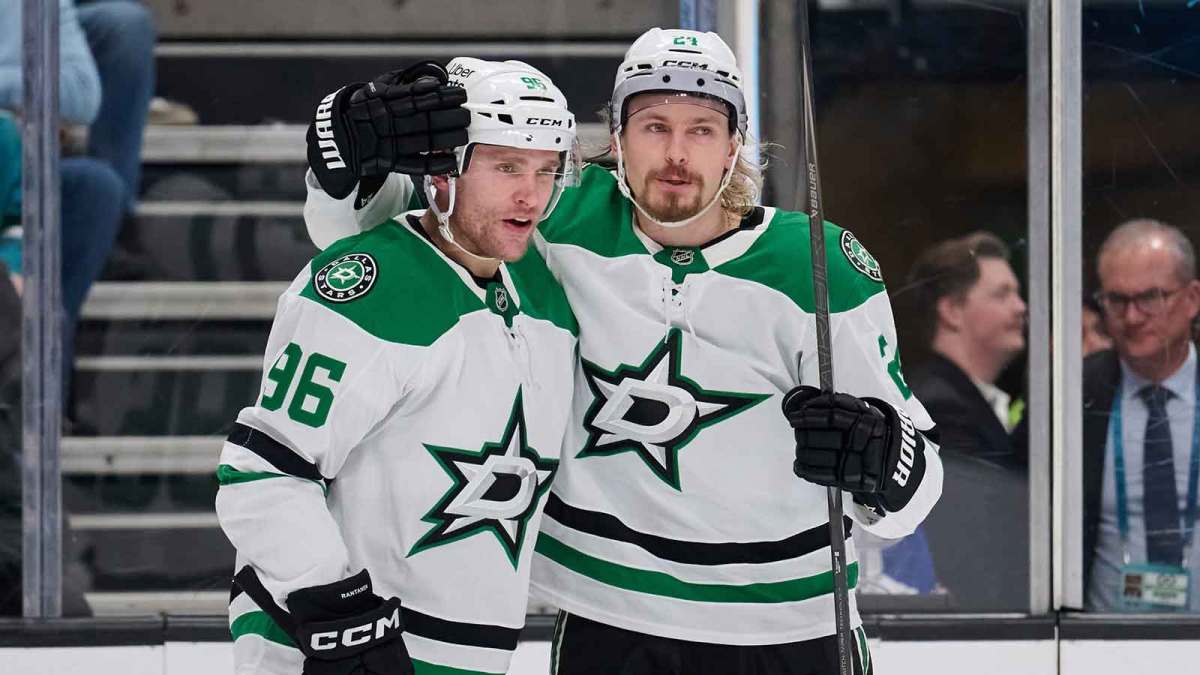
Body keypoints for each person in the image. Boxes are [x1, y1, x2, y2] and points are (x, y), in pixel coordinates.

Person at [304, 28, 943, 674]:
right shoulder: (556, 220)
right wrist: (345, 150)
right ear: (616, 139)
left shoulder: (821, 267)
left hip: (795, 631)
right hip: (609, 625)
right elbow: (369, 234)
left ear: (734, 146)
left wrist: (885, 459)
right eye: (654, 127)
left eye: (701, 130)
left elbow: (914, 493)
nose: (676, 154)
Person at [216, 59, 580, 674]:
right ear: (442, 171)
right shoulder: (370, 287)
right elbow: (264, 472)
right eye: (507, 166)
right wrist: (337, 612)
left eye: (546, 169)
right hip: (336, 644)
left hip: (475, 653)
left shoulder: (545, 293)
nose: (532, 194)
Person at [903, 231, 1029, 610]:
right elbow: (978, 545)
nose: (1021, 307)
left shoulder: (964, 397)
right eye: (1002, 295)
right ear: (952, 311)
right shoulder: (939, 408)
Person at [1083, 218, 1200, 612]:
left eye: (1150, 298)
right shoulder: (1074, 392)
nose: (1132, 317)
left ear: (1192, 299)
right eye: (1116, 301)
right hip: (1097, 637)